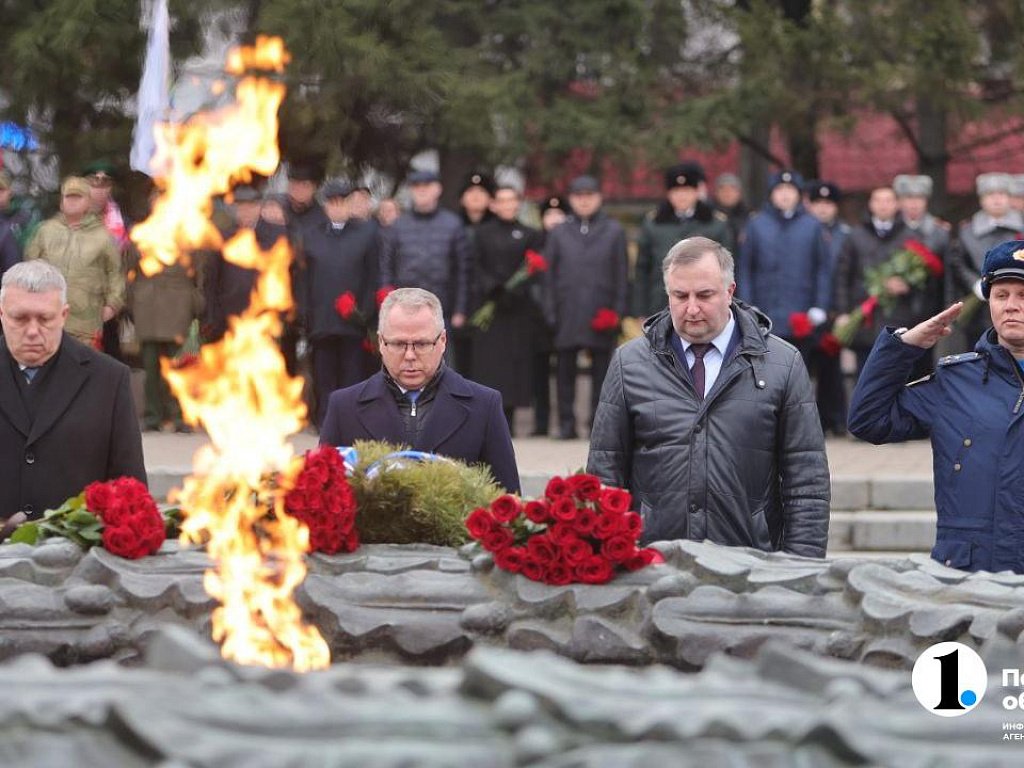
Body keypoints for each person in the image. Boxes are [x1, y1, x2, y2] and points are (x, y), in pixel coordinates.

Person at [587, 236, 829, 556]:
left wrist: (802, 569)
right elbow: (604, 471)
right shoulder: (629, 363)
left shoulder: (782, 363)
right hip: (654, 564)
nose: (691, 308)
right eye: (679, 295)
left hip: (752, 565)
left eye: (704, 295)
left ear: (729, 292)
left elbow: (806, 478)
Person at [847, 239, 1024, 573]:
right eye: (1001, 296)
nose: (1010, 306)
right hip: (967, 574)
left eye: (1023, 296)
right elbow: (868, 420)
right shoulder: (957, 381)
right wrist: (902, 348)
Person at [319, 287, 520, 492]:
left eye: (422, 344)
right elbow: (324, 499)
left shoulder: (484, 406)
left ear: (442, 341)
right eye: (398, 344)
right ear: (380, 342)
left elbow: (507, 501)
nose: (409, 356)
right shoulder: (344, 407)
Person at [0, 261, 146, 539]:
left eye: (45, 319)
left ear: (64, 315)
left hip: (76, 559)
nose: (32, 331)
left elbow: (130, 488)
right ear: (1, 314)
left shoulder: (108, 379)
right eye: (20, 319)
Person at [543, 175, 628, 440]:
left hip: (600, 310)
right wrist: (549, 311)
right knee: (564, 370)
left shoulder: (613, 231)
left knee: (603, 372)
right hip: (567, 310)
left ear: (599, 198)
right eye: (579, 196)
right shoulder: (559, 232)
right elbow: (548, 276)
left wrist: (618, 310)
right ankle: (566, 423)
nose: (584, 201)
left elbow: (622, 274)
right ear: (571, 199)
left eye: (589, 195)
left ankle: (597, 424)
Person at [302, 180, 381, 428]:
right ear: (326, 206)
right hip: (322, 320)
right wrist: (305, 313)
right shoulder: (312, 235)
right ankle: (325, 421)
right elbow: (303, 278)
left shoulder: (367, 234)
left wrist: (365, 312)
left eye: (342, 202)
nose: (337, 208)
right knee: (323, 375)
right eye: (332, 203)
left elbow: (373, 276)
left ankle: (350, 423)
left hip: (353, 321)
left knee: (352, 375)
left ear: (350, 204)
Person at [470, 185, 545, 434]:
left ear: (518, 204)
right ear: (493, 204)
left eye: (511, 200)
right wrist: (493, 288)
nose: (506, 205)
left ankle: (510, 423)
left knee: (515, 367)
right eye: (501, 200)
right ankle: (489, 421)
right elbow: (475, 265)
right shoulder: (482, 233)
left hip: (518, 310)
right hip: (490, 309)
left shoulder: (530, 233)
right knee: (490, 366)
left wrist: (514, 290)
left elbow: (535, 269)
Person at [833, 185, 925, 379]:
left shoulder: (910, 236)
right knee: (865, 378)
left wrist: (906, 286)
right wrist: (842, 312)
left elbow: (924, 281)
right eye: (878, 200)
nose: (883, 205)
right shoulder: (855, 236)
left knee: (898, 379)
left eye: (888, 200)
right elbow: (842, 276)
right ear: (870, 205)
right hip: (864, 319)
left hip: (899, 320)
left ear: (896, 205)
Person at [25, 177, 125, 347]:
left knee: (83, 368)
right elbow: (28, 267)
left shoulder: (103, 236)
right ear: (61, 202)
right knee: (47, 367)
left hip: (86, 321)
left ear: (88, 201)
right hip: (47, 318)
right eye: (68, 197)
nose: (72, 202)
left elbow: (116, 272)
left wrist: (113, 305)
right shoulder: (44, 231)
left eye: (77, 197)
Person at [738, 169, 830, 345]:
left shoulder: (812, 225)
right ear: (771, 194)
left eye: (790, 189)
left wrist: (820, 305)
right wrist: (748, 305)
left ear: (799, 194)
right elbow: (745, 268)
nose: (785, 195)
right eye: (779, 190)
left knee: (799, 367)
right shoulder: (756, 225)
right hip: (765, 311)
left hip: (801, 313)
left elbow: (822, 269)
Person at [633, 162, 732, 319]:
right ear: (668, 194)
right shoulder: (653, 224)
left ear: (696, 192)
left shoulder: (715, 224)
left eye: (687, 190)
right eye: (676, 191)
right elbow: (642, 270)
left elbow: (727, 270)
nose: (682, 196)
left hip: (702, 307)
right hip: (659, 304)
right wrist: (640, 311)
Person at [381, 169, 471, 341]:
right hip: (405, 310)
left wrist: (460, 309)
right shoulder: (398, 226)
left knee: (441, 364)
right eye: (416, 186)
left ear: (438, 189)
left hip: (442, 310)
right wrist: (388, 307)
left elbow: (463, 271)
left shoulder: (453, 224)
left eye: (427, 186)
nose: (421, 190)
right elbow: (386, 268)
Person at [948, 172, 1024, 345]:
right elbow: (958, 263)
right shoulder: (967, 230)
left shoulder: (1021, 226)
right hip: (979, 309)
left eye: (1002, 194)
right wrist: (975, 283)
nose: (997, 200)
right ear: (981, 199)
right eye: (991, 195)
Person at [804, 180, 850, 435]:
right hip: (808, 309)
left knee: (832, 368)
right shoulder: (803, 232)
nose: (823, 209)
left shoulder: (845, 234)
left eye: (828, 204)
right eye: (818, 203)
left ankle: (834, 418)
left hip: (835, 310)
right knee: (803, 367)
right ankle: (810, 421)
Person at [712, 172, 750, 247]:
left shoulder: (749, 217)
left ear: (739, 193)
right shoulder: (708, 215)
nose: (727, 193)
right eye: (723, 189)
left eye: (732, 189)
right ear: (716, 193)